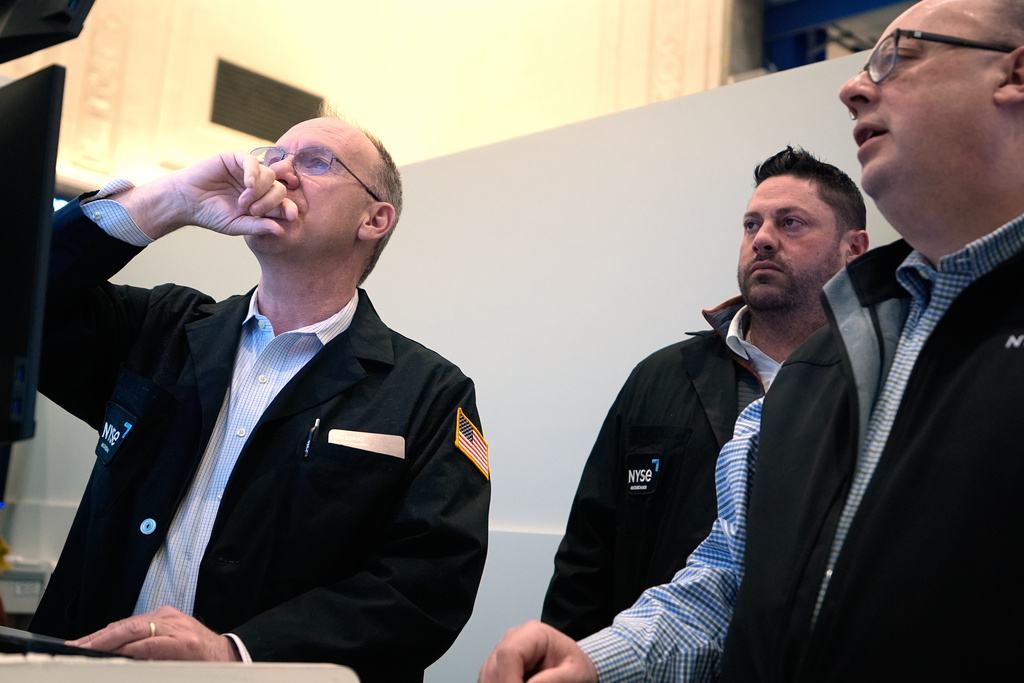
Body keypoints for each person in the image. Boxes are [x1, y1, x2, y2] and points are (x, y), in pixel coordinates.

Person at [479, 0, 1024, 680]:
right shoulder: (822, 370)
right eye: (751, 223)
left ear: (1015, 72)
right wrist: (591, 659)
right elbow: (724, 585)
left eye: (898, 57)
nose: (853, 86)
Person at [29, 114, 491, 683]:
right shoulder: (162, 328)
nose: (280, 172)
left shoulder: (429, 392)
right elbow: (20, 297)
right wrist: (171, 199)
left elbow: (428, 584)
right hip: (89, 671)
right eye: (273, 155)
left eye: (316, 161)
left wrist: (238, 654)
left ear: (375, 219)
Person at [540, 147, 868, 641]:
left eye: (791, 223)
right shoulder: (661, 377)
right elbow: (588, 553)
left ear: (854, 250)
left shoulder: (881, 377)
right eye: (751, 223)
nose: (762, 239)